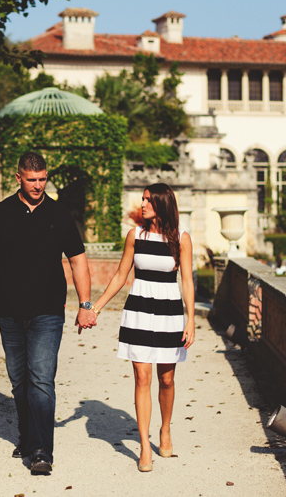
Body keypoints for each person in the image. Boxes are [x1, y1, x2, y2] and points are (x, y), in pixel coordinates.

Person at [0, 151, 96, 475]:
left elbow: (78, 259)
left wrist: (85, 304)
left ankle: (40, 450)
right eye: (32, 180)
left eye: (42, 179)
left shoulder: (59, 215)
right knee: (19, 381)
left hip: (47, 312)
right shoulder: (0, 214)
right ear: (19, 178)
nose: (38, 185)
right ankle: (27, 437)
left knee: (41, 379)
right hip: (9, 311)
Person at [92, 183, 195, 472]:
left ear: (162, 204)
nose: (143, 204)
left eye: (148, 200)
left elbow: (187, 281)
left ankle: (164, 430)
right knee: (141, 377)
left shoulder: (181, 239)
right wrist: (95, 308)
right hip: (138, 311)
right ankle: (144, 446)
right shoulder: (134, 236)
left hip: (169, 313)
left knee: (166, 380)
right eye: (143, 199)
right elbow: (119, 276)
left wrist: (192, 320)